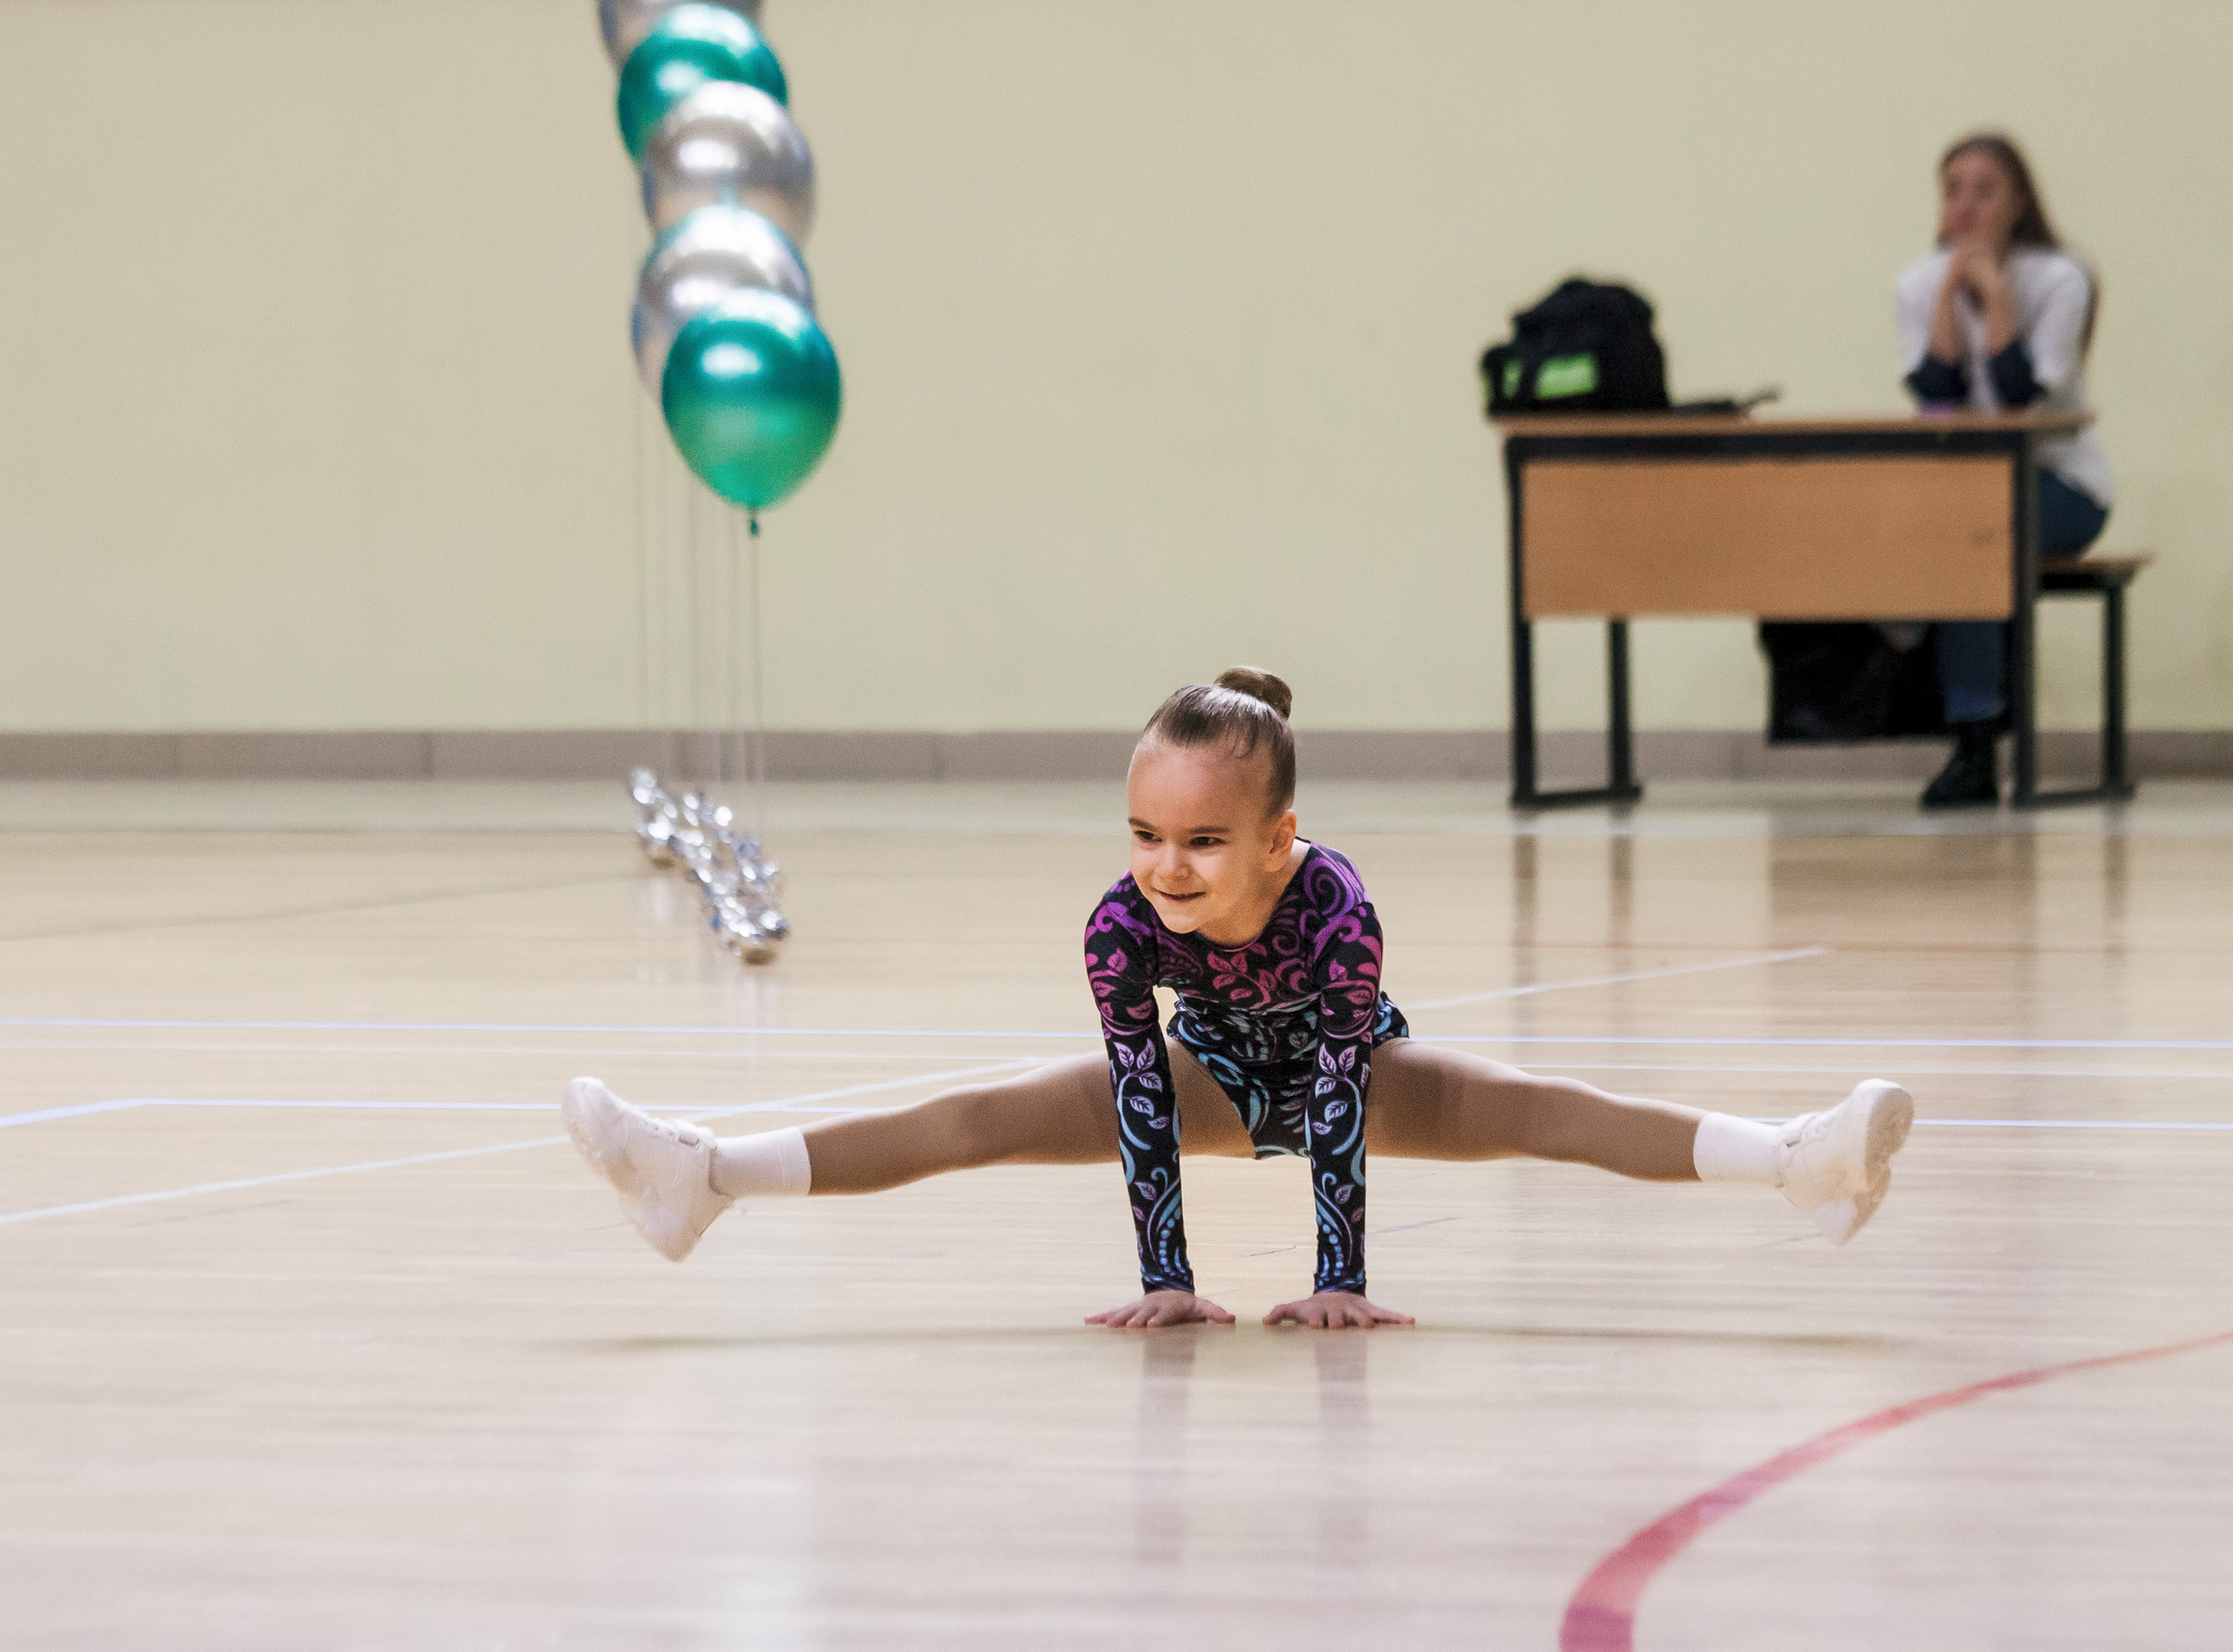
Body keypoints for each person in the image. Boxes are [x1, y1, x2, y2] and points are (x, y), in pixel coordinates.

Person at [561, 669, 1916, 1329]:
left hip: (1355, 1065)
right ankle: (704, 1172)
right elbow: (1142, 1092)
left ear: (1278, 839)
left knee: (1549, 1108)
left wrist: (1340, 1282)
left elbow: (1335, 1085)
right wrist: (1170, 1279)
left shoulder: (1335, 906)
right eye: (1148, 831)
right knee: (982, 1114)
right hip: (1207, 1073)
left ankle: (1803, 1161)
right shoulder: (1117, 922)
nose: (1166, 865)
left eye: (1203, 841)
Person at [1900, 133, 2113, 808]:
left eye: (1984, 190)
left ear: (2019, 203)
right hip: (1971, 493)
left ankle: (1974, 744)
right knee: (1951, 530)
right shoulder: (1915, 283)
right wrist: (1945, 297)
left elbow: (2024, 397)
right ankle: (1968, 732)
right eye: (1952, 190)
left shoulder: (2059, 279)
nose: (1965, 206)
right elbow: (1936, 402)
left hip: (2062, 485)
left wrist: (1993, 294)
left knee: (1971, 541)